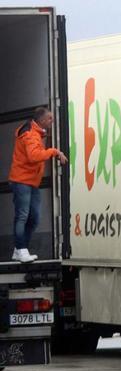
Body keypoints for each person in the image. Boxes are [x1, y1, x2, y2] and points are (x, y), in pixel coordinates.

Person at [8, 107, 67, 263]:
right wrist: (54, 151)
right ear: (41, 120)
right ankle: (21, 249)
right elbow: (34, 156)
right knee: (22, 216)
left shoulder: (37, 133)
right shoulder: (29, 134)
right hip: (21, 181)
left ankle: (19, 250)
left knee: (34, 218)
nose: (52, 121)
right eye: (50, 118)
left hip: (31, 182)